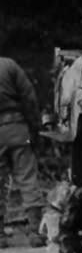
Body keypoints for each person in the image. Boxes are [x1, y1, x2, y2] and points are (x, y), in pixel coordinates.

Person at [0, 56, 45, 235]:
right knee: (27, 179)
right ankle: (36, 231)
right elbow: (29, 98)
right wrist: (35, 127)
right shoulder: (9, 65)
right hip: (18, 130)